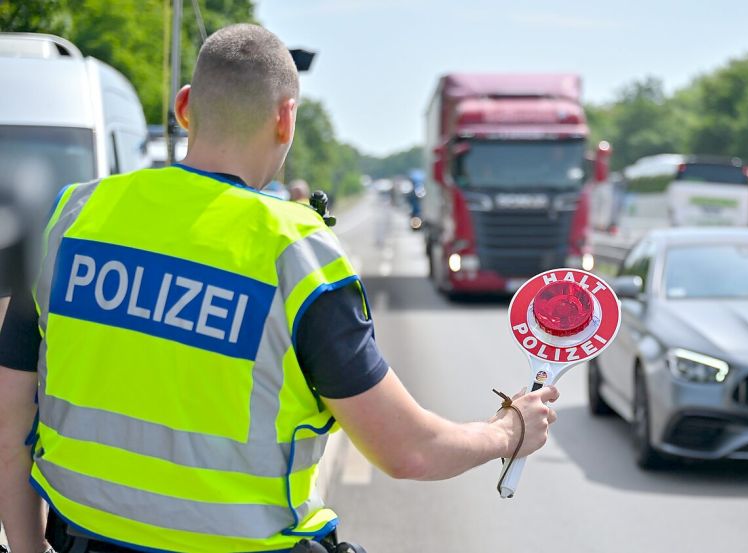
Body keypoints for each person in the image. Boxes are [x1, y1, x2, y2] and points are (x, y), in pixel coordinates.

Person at [0, 24, 558, 553]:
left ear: (185, 107)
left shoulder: (71, 218)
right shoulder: (298, 255)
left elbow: (8, 422)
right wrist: (507, 431)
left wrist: (25, 547)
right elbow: (409, 451)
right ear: (286, 120)